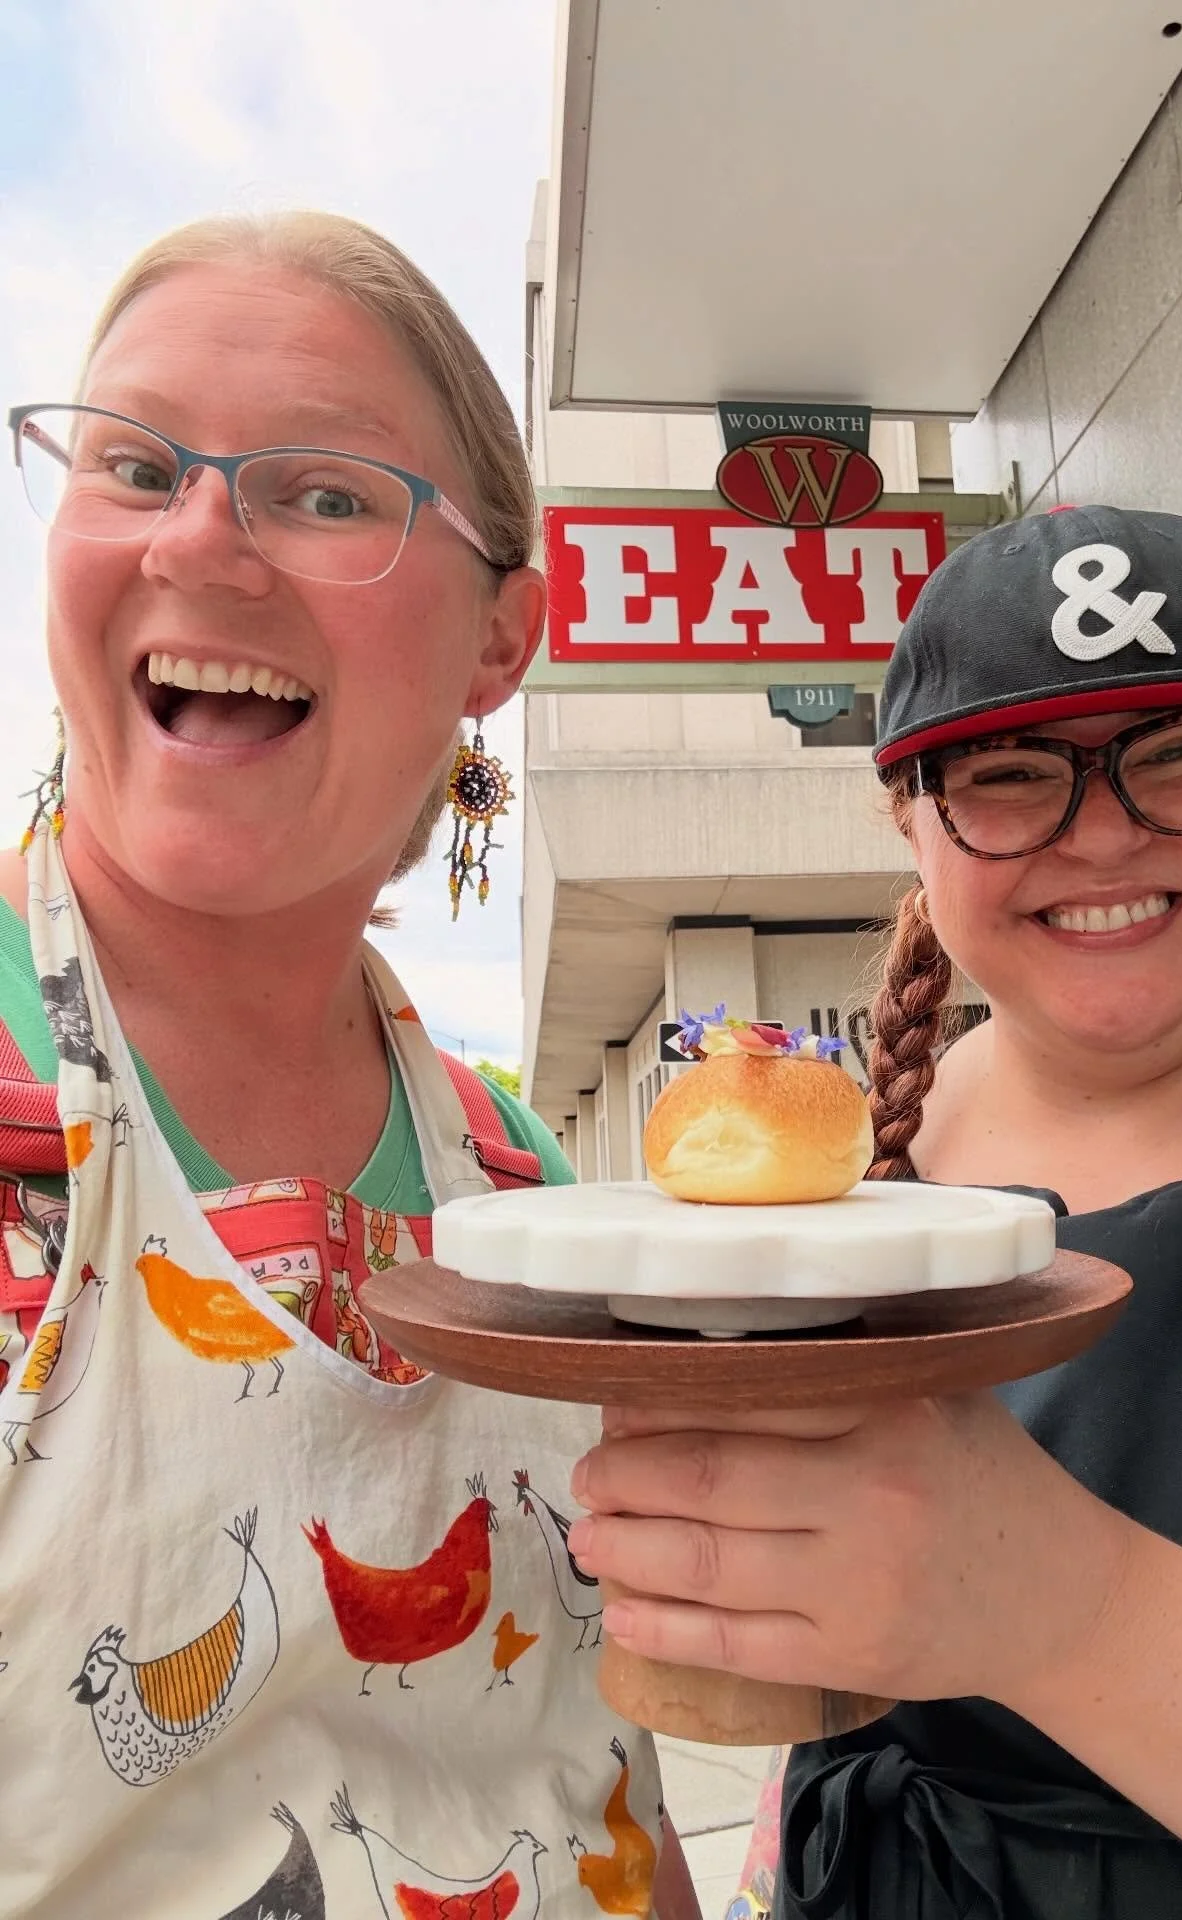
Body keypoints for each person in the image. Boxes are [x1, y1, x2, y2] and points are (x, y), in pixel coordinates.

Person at [566, 505, 1182, 1919]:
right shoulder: (852, 1169)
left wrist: (1068, 1610)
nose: (1103, 837)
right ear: (913, 826)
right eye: (1012, 777)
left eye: (1179, 752)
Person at [0, 212, 697, 1920]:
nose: (202, 540)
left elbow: (607, 1782)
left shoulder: (520, 1184)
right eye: (136, 464)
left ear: (501, 640)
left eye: (324, 493)